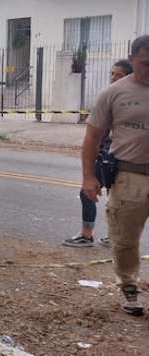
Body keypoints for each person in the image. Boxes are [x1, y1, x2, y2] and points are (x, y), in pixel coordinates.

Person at [82, 35, 149, 317]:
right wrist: (88, 177)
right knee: (124, 240)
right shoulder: (114, 93)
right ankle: (129, 287)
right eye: (146, 63)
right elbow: (92, 139)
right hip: (130, 177)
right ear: (132, 59)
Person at [64, 60, 133, 248]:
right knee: (87, 192)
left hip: (125, 158)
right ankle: (87, 235)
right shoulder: (108, 97)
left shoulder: (136, 100)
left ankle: (115, 237)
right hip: (105, 156)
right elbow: (95, 132)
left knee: (118, 199)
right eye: (112, 74)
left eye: (118, 75)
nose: (113, 78)